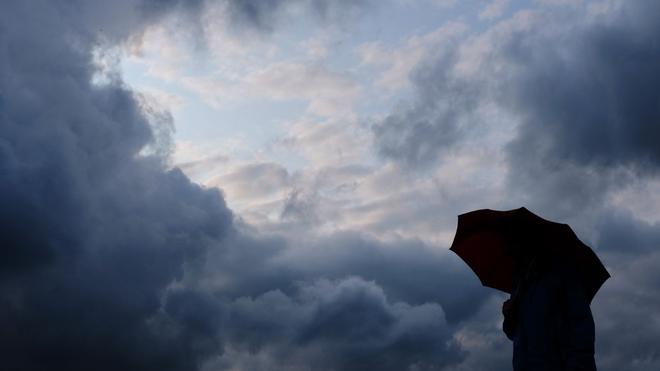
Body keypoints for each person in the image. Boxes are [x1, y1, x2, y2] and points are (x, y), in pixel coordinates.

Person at [501, 244, 597, 371]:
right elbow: (517, 334)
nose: (507, 250)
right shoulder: (520, 284)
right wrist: (509, 318)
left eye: (511, 243)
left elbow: (580, 328)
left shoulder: (561, 274)